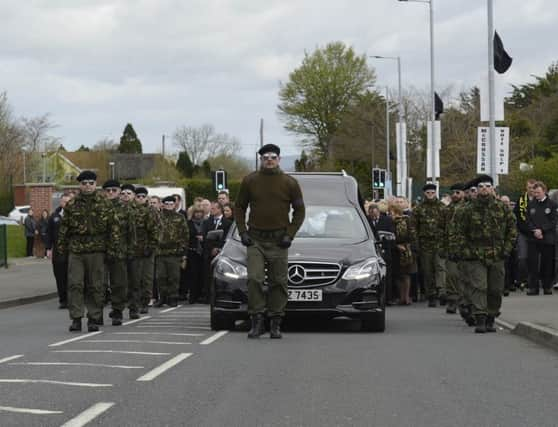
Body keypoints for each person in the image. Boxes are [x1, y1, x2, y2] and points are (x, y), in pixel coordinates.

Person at [235, 143, 305, 339]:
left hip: (279, 240)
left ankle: (275, 321)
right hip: (255, 239)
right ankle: (257, 320)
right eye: (265, 157)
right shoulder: (250, 181)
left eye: (273, 157)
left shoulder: (290, 183)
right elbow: (239, 207)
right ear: (261, 160)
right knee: (255, 279)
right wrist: (242, 232)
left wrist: (289, 234)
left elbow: (300, 210)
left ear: (279, 159)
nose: (269, 160)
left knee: (279, 281)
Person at [450, 175, 516, 333]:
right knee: (479, 287)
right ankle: (480, 317)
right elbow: (458, 232)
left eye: (487, 186)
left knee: (495, 289)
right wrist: (465, 251)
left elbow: (512, 231)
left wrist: (506, 250)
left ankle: (491, 318)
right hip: (475, 255)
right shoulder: (466, 209)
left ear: (493, 189)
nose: (484, 189)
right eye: (481, 187)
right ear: (477, 190)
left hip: (497, 254)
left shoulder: (502, 208)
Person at [57, 171, 120, 332]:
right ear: (80, 185)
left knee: (96, 285)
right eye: (84, 183)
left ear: (95, 184)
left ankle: (94, 317)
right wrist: (61, 250)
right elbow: (64, 229)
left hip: (97, 250)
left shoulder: (104, 203)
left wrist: (113, 249)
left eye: (91, 183)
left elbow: (113, 228)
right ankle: (76, 318)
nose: (87, 186)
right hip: (77, 250)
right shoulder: (72, 205)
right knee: (75, 284)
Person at [103, 180, 132, 326]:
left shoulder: (126, 209)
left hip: (120, 251)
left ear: (119, 192)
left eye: (114, 190)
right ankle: (96, 313)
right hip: (100, 251)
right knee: (98, 284)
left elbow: (131, 233)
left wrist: (130, 250)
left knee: (119, 283)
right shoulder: (99, 207)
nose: (111, 193)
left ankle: (117, 311)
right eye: (108, 190)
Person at [412, 183, 446, 307]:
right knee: (427, 270)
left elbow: (447, 226)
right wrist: (415, 243)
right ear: (424, 194)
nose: (430, 195)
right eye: (428, 193)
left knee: (440, 267)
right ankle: (431, 294)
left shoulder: (442, 208)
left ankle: (442, 291)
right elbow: (414, 227)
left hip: (439, 242)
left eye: (432, 193)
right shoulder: (419, 209)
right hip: (425, 243)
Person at [129, 187, 159, 314]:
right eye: (138, 196)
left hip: (147, 250)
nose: (140, 199)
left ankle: (145, 302)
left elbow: (156, 231)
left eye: (143, 196)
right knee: (134, 279)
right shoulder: (130, 210)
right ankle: (134, 304)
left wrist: (151, 246)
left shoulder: (151, 211)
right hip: (133, 250)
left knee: (146, 279)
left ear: (146, 198)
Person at [154, 196, 189, 307]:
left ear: (175, 205)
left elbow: (185, 234)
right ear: (163, 205)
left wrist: (182, 251)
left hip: (174, 252)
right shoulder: (157, 217)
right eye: (167, 204)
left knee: (174, 277)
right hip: (160, 252)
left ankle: (173, 297)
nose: (169, 206)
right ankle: (163, 297)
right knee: (161, 277)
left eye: (171, 204)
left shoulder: (180, 217)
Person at [525, 181, 557, 295]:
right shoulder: (531, 204)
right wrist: (535, 230)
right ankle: (534, 287)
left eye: (538, 192)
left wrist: (542, 230)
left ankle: (547, 286)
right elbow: (527, 220)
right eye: (534, 192)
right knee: (533, 263)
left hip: (547, 238)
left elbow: (553, 221)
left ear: (544, 191)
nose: (536, 194)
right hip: (533, 238)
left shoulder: (552, 204)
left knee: (547, 263)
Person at [442, 183, 465, 314]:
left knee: (464, 275)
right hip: (450, 246)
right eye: (454, 193)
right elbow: (441, 229)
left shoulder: (468, 208)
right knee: (451, 274)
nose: (455, 195)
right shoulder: (446, 210)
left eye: (458, 192)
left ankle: (463, 300)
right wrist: (441, 246)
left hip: (464, 247)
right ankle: (452, 299)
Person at [46, 195, 71, 309]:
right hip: (58, 252)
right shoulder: (54, 217)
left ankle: (74, 299)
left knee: (73, 277)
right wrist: (48, 248)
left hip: (73, 251)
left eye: (68, 201)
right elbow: (48, 233)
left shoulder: (76, 216)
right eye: (64, 201)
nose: (66, 203)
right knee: (60, 276)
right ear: (61, 202)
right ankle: (63, 300)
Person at [390, 202, 417, 305]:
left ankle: (406, 297)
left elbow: (411, 234)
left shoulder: (406, 220)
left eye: (392, 211)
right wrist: (396, 245)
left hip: (406, 249)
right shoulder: (392, 221)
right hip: (396, 249)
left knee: (405, 274)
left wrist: (408, 246)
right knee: (398, 274)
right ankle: (401, 297)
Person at [514, 179, 536, 287]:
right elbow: (517, 217)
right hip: (523, 232)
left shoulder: (539, 199)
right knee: (522, 258)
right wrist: (524, 229)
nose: (531, 190)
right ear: (526, 188)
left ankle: (532, 280)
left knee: (534, 258)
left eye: (533, 187)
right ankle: (522, 278)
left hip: (536, 233)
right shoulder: (521, 200)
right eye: (529, 187)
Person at [186, 208, 206, 304]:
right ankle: (193, 296)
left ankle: (201, 295)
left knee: (202, 274)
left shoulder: (206, 223)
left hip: (203, 252)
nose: (198, 214)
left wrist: (203, 237)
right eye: (196, 212)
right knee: (193, 274)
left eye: (200, 212)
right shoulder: (189, 223)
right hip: (192, 251)